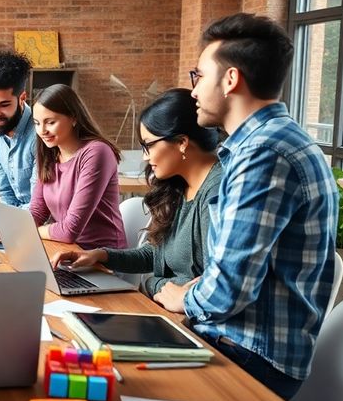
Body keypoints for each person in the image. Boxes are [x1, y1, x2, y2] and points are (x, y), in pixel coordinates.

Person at [154, 13, 338, 400]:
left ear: (231, 79)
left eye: (199, 77)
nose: (193, 91)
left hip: (250, 356)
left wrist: (182, 296)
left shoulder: (264, 153)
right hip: (237, 343)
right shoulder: (264, 144)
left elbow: (227, 290)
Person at [51, 89, 222, 296]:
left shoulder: (216, 193)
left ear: (181, 143)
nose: (144, 157)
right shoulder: (178, 186)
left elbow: (211, 285)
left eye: (148, 145)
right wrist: (100, 255)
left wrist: (153, 284)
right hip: (163, 306)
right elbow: (157, 255)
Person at [0, 84, 126, 250]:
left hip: (102, 259)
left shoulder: (96, 152)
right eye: (36, 123)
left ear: (74, 118)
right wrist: (0, 228)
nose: (42, 131)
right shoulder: (49, 153)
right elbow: (36, 213)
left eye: (50, 122)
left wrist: (10, 230)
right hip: (64, 252)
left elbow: (68, 230)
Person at [0, 51, 36, 209]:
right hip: (17, 220)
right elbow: (4, 191)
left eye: (4, 105)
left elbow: (40, 204)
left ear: (22, 98)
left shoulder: (40, 133)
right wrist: (2, 220)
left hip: (44, 224)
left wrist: (0, 224)